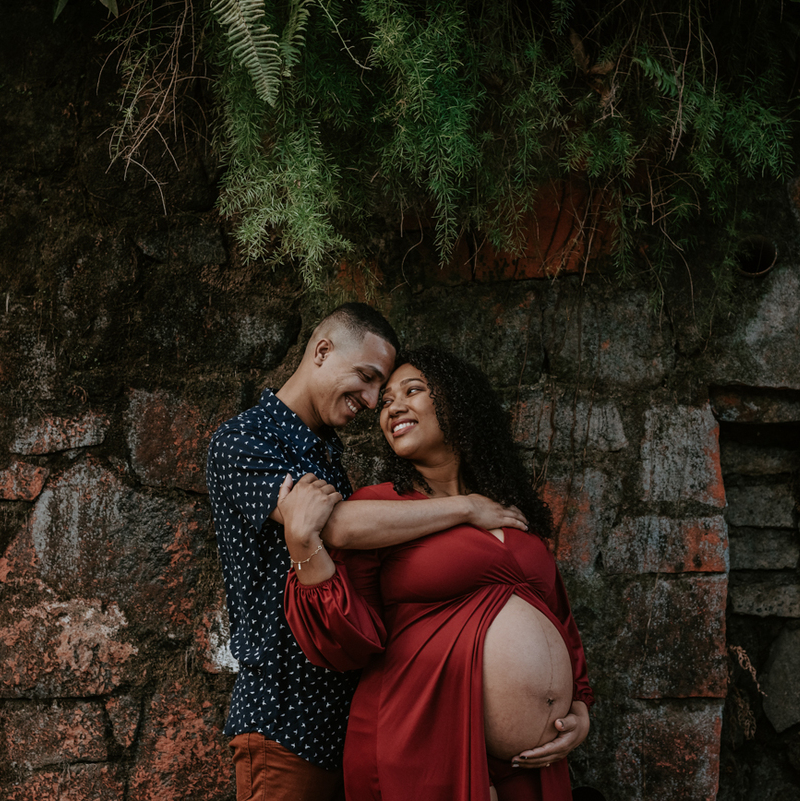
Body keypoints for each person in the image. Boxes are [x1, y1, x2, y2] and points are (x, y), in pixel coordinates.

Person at [207, 306, 530, 801]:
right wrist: (466, 508)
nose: (374, 399)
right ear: (322, 351)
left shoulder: (324, 450)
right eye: (367, 377)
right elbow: (333, 527)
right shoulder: (243, 439)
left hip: (354, 716)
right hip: (288, 717)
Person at [282, 347, 594, 801]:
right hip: (422, 739)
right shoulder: (383, 507)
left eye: (412, 391)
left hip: (533, 763)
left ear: (456, 403)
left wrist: (580, 707)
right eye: (386, 401)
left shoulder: (507, 511)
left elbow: (560, 619)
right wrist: (304, 547)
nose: (393, 407)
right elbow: (348, 634)